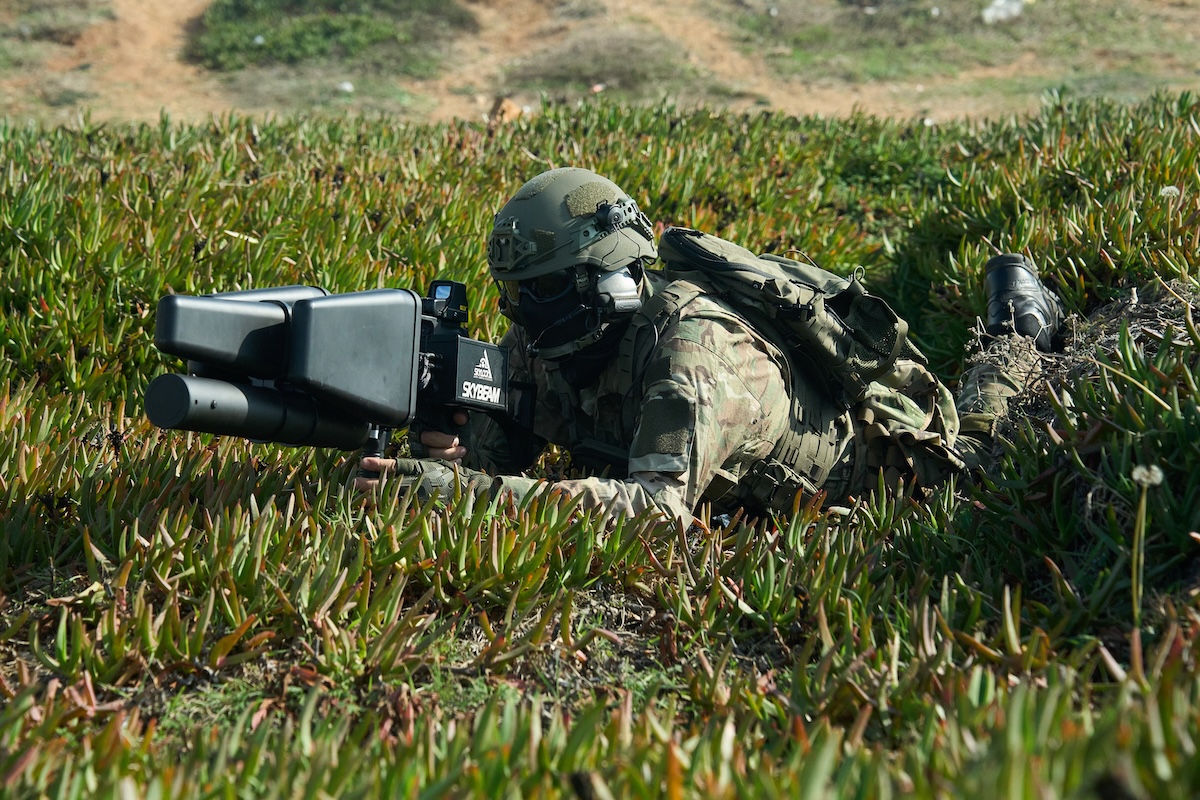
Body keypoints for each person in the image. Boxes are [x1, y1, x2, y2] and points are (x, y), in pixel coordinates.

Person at [357, 167, 1063, 527]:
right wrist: (445, 456)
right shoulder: (551, 336)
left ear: (602, 282)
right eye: (513, 294)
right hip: (750, 505)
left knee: (982, 443)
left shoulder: (691, 353)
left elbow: (655, 512)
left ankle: (1020, 328)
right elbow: (491, 459)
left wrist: (473, 495)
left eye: (538, 292)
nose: (518, 314)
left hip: (892, 473)